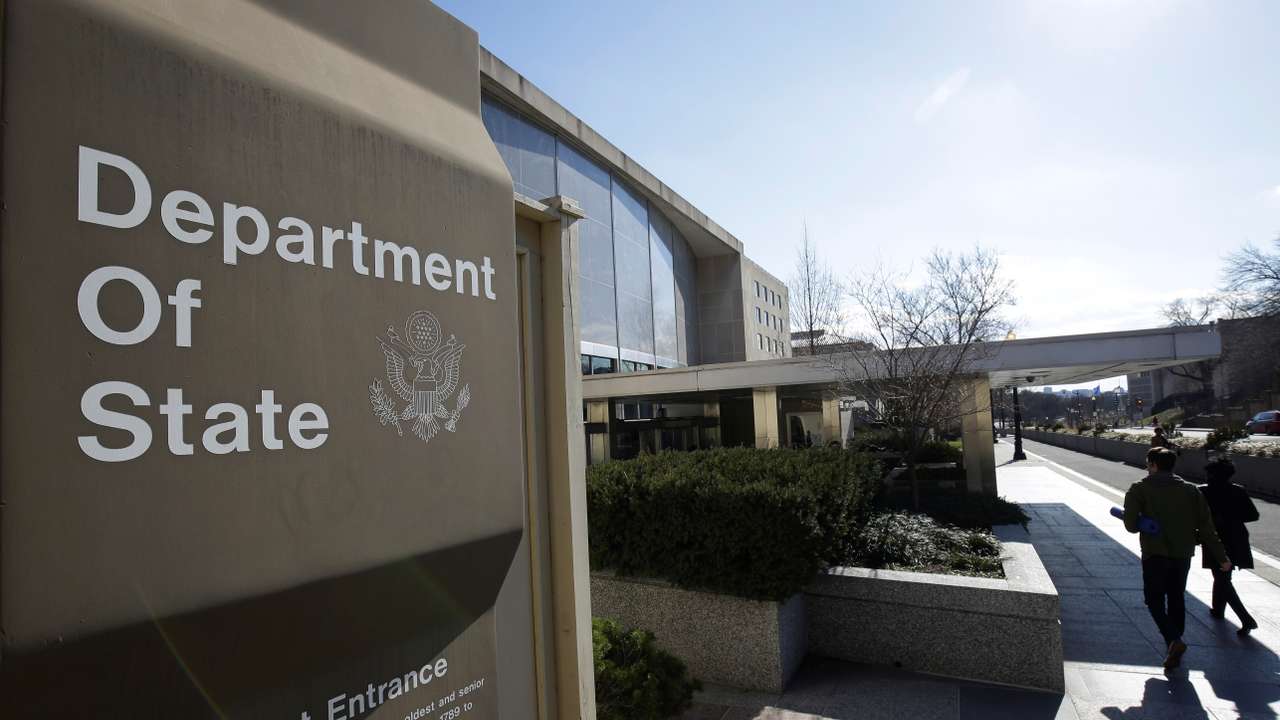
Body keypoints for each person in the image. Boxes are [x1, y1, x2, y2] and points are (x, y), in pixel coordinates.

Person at [1124, 447, 1231, 669]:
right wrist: (1222, 558)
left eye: (1148, 463)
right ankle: (1175, 642)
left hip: (1154, 554)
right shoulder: (1191, 491)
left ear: (1153, 465)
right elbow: (1206, 528)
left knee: (1154, 600)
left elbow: (1131, 526)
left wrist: (1143, 520)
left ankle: (1174, 640)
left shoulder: (1139, 489)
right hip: (1182, 554)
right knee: (1177, 597)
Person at [1200, 457, 1260, 635]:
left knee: (1221, 577)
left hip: (1215, 538)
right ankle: (1218, 609)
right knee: (1223, 576)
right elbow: (1253, 515)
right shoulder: (1238, 491)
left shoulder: (1203, 491)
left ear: (1211, 474)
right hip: (1237, 537)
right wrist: (1233, 517)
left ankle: (1246, 619)